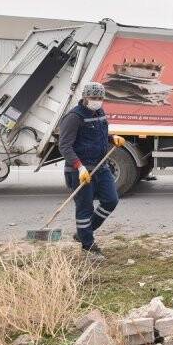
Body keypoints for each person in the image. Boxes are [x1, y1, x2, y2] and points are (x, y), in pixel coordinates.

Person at [57, 82, 125, 257]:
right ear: (85, 97)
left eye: (100, 98)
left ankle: (83, 233)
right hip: (80, 171)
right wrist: (79, 168)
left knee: (111, 200)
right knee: (84, 209)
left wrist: (112, 138)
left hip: (101, 167)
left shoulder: (100, 113)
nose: (97, 101)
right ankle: (88, 246)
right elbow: (64, 146)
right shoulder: (74, 117)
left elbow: (99, 135)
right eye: (94, 98)